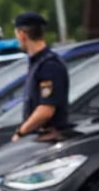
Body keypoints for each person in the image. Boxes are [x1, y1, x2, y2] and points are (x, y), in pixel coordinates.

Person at [10, 12, 72, 142]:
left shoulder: (49, 65)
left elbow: (46, 109)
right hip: (41, 138)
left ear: (22, 34)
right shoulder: (38, 63)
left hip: (50, 139)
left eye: (16, 34)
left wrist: (21, 132)